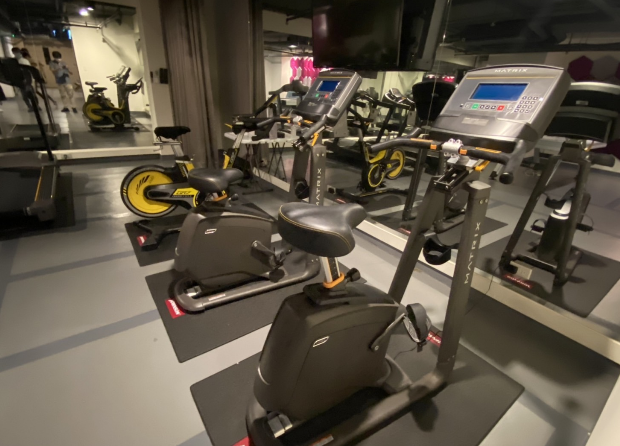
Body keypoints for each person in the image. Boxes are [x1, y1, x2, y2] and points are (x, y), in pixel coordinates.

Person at [11, 47, 38, 112]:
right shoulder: (15, 61)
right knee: (24, 96)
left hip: (27, 80)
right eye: (14, 53)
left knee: (31, 95)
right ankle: (30, 107)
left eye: (16, 53)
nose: (15, 54)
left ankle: (36, 106)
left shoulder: (24, 61)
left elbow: (28, 72)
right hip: (21, 81)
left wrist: (29, 82)